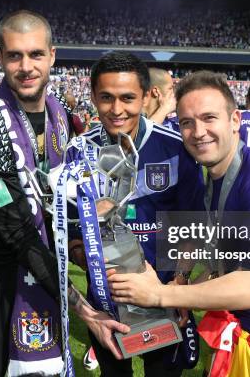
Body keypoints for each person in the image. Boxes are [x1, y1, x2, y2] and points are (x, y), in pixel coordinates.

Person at [0, 10, 128, 377]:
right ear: (0, 59)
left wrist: (85, 246)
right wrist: (84, 311)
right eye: (14, 56)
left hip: (37, 264)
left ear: (52, 56)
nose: (26, 66)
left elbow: (59, 197)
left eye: (35, 54)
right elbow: (15, 230)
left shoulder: (59, 114)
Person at [109, 71, 250, 376]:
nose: (198, 131)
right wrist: (184, 291)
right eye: (187, 122)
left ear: (234, 120)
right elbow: (228, 267)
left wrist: (160, 294)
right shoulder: (218, 180)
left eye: (209, 118)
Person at [68, 52, 203, 376]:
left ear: (145, 97)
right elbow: (71, 231)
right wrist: (93, 263)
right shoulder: (77, 152)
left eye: (128, 98)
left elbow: (194, 226)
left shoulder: (176, 149)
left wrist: (181, 282)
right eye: (106, 98)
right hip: (107, 301)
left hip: (165, 296)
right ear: (93, 98)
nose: (117, 110)